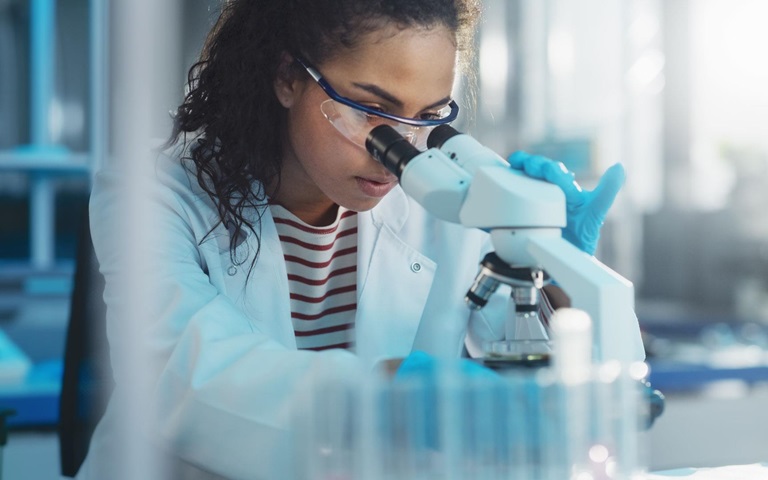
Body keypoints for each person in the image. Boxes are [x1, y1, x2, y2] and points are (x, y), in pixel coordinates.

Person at [78, 0, 644, 478]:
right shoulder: (154, 190)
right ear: (288, 79)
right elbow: (182, 377)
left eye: (428, 116)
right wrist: (395, 396)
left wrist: (560, 267)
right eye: (372, 110)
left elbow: (561, 388)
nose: (401, 148)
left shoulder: (446, 202)